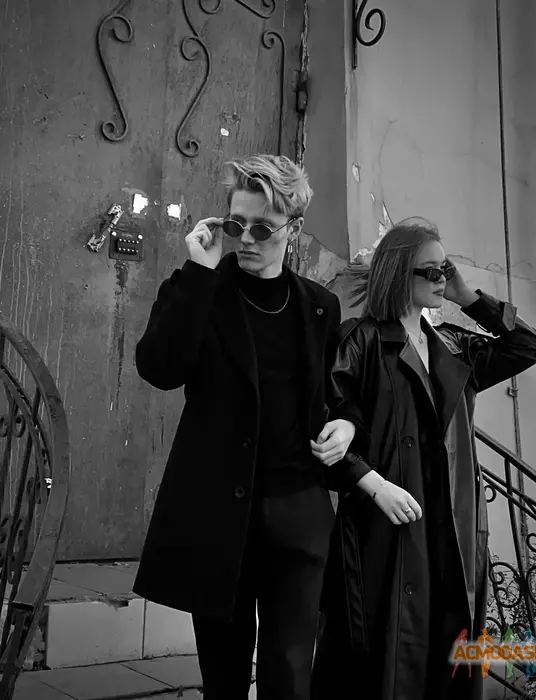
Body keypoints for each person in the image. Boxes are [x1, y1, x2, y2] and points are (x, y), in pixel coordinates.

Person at [132, 154, 356, 700]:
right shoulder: (199, 289)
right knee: (224, 674)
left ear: (293, 229)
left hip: (296, 512)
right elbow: (159, 369)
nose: (247, 239)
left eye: (263, 228)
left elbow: (336, 396)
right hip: (219, 515)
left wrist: (347, 424)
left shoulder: (320, 307)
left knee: (290, 673)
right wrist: (198, 274)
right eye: (237, 225)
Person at [309, 218, 536, 700]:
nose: (442, 279)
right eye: (432, 271)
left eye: (446, 269)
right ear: (400, 273)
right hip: (386, 526)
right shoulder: (362, 340)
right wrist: (371, 482)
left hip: (452, 525)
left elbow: (528, 346)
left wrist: (468, 297)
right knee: (379, 660)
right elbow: (330, 428)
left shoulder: (454, 346)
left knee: (447, 654)